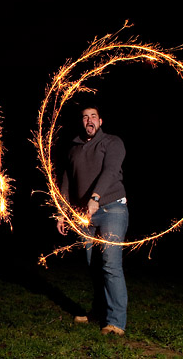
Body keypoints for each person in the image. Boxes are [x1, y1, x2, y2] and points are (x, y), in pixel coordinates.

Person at [57, 105, 128, 336]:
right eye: (85, 117)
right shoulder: (74, 148)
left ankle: (116, 321)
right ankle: (99, 311)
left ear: (100, 121)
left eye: (93, 117)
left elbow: (110, 170)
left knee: (110, 263)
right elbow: (66, 181)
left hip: (112, 208)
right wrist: (62, 211)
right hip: (85, 215)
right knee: (92, 264)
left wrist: (95, 197)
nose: (89, 120)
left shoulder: (112, 142)